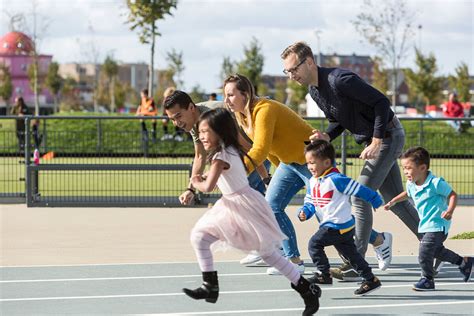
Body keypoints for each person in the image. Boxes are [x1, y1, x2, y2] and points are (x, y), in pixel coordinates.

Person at [222, 74, 390, 276]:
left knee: (329, 217)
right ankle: (293, 259)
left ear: (245, 94)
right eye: (226, 95)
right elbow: (274, 148)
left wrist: (237, 171)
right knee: (272, 206)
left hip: (313, 161)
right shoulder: (243, 116)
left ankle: (378, 240)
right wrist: (271, 177)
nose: (227, 100)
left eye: (231, 95)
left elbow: (260, 149)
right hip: (289, 163)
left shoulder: (264, 110)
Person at [281, 41, 419, 280]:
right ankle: (432, 243)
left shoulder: (340, 80)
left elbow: (382, 103)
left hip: (388, 135)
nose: (291, 75)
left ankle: (357, 260)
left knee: (359, 195)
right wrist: (327, 135)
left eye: (294, 69)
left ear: (310, 62)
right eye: (287, 71)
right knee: (395, 201)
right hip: (375, 139)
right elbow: (340, 120)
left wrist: (376, 141)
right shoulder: (315, 92)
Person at [182, 108, 321, 315]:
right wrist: (265, 178)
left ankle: (304, 288)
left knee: (263, 252)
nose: (201, 136)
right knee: (202, 237)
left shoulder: (220, 157)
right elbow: (255, 162)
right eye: (200, 132)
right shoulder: (231, 148)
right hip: (235, 202)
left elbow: (209, 187)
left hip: (241, 205)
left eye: (205, 131)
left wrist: (195, 182)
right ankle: (210, 286)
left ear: (219, 131)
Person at [299, 140, 382, 295]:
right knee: (352, 256)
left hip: (337, 225)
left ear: (326, 162)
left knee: (314, 244)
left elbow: (359, 189)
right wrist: (305, 212)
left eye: (312, 162)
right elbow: (310, 201)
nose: (309, 167)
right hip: (340, 227)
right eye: (307, 163)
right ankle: (371, 280)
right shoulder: (313, 181)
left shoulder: (336, 179)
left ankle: (324, 275)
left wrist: (375, 200)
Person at [384, 147, 473, 290]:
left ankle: (427, 279)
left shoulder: (436, 183)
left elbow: (452, 195)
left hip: (438, 225)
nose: (405, 171)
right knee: (437, 251)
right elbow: (408, 193)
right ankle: (464, 263)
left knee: (424, 251)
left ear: (423, 167)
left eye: (408, 168)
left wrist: (450, 210)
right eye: (403, 168)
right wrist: (393, 201)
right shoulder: (411, 184)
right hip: (425, 226)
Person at [163, 90, 270, 204]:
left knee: (246, 203)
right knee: (254, 206)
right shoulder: (194, 123)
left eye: (178, 116)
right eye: (172, 120)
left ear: (191, 107)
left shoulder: (213, 117)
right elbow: (199, 156)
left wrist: (266, 178)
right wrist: (191, 189)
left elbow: (247, 148)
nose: (176, 123)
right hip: (245, 158)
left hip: (255, 156)